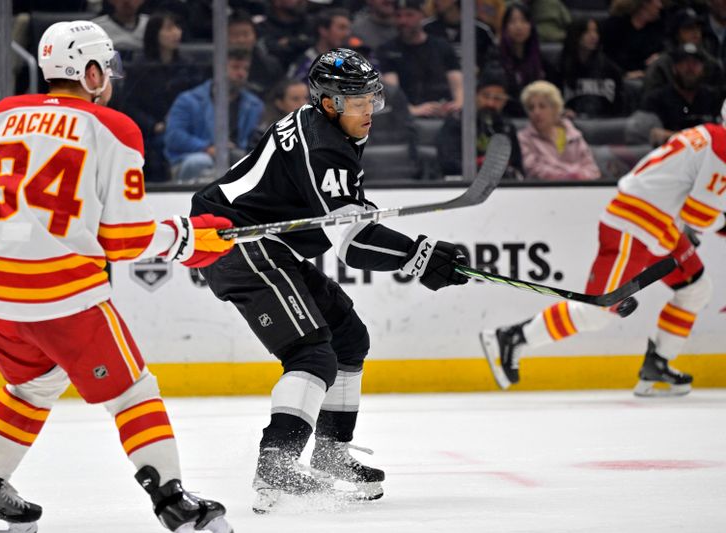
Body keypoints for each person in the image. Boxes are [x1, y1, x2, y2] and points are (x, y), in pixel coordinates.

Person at [0, 20, 234, 533]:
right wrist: (184, 238)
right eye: (107, 67)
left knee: (33, 385)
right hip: (59, 299)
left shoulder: (1, 114)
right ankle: (174, 503)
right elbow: (122, 241)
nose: (111, 79)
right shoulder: (114, 128)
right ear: (92, 70)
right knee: (133, 393)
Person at [190, 48, 471, 512]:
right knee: (310, 352)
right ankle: (276, 464)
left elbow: (344, 212)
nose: (369, 110)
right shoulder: (323, 146)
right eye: (356, 101)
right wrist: (419, 256)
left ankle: (330, 453)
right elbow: (355, 243)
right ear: (327, 102)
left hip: (263, 241)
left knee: (347, 336)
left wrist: (413, 253)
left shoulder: (324, 129)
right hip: (235, 241)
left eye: (371, 99)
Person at [480, 107, 726, 397]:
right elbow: (698, 216)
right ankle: (512, 337)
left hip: (657, 225)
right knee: (598, 311)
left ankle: (657, 365)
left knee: (695, 288)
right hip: (634, 226)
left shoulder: (711, 135)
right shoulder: (721, 146)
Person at [120, 11, 201, 182]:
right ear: (155, 33)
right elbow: (128, 105)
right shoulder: (139, 67)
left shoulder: (188, 65)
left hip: (183, 129)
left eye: (177, 27)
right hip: (152, 132)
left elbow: (197, 99)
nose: (176, 33)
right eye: (169, 28)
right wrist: (153, 125)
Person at [164, 47, 264, 183]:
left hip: (235, 160)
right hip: (193, 158)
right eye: (235, 67)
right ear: (219, 69)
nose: (241, 74)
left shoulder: (254, 105)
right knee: (201, 162)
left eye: (245, 69)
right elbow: (173, 136)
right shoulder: (188, 100)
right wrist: (207, 147)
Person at [377, 0, 463, 118]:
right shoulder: (388, 50)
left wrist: (457, 104)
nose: (403, 21)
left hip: (444, 111)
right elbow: (392, 91)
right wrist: (413, 110)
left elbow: (457, 84)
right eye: (398, 16)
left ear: (421, 15)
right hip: (409, 115)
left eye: (409, 15)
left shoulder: (442, 46)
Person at [625, 43, 722, 147]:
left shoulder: (714, 97)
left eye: (695, 63)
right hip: (669, 156)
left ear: (703, 68)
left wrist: (673, 136)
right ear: (674, 68)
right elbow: (642, 133)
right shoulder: (656, 99)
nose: (690, 68)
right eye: (684, 63)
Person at [437, 66, 524, 180]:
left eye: (497, 98)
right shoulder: (457, 122)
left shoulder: (506, 127)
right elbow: (449, 164)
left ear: (505, 101)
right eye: (486, 95)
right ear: (475, 95)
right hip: (464, 187)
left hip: (501, 188)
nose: (490, 103)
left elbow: (516, 166)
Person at [517, 80, 601, 181]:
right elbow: (533, 170)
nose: (536, 112)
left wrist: (575, 176)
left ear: (555, 108)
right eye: (531, 108)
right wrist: (570, 174)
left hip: (578, 189)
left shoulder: (573, 134)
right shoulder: (523, 138)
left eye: (542, 106)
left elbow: (592, 170)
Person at [554, 18, 625, 118]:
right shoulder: (559, 67)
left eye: (595, 31)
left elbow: (620, 106)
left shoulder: (610, 69)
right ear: (575, 35)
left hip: (605, 126)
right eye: (587, 32)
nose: (594, 36)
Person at [498, 3, 549, 117]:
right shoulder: (495, 59)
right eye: (513, 21)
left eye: (524, 21)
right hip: (506, 117)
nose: (519, 26)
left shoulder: (542, 62)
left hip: (536, 117)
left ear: (531, 25)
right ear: (505, 27)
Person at [599, 0, 664, 80]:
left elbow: (663, 50)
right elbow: (605, 57)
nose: (660, 5)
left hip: (646, 77)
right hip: (617, 76)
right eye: (658, 1)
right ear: (645, 3)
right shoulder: (615, 25)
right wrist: (624, 74)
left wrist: (660, 57)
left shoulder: (656, 28)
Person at [288, 8, 353, 81]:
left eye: (348, 29)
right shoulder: (306, 64)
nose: (347, 34)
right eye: (341, 28)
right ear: (323, 30)